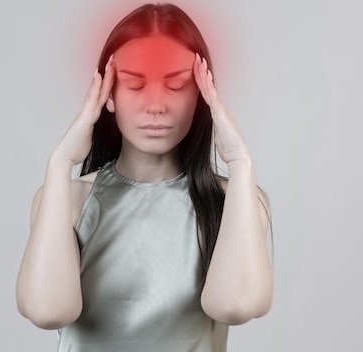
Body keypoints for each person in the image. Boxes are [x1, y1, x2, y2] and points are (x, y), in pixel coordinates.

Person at [15, 3, 273, 351]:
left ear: (201, 93)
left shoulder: (235, 202)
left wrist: (240, 162)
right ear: (107, 95)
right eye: (135, 85)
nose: (156, 105)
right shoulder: (69, 199)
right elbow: (47, 311)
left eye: (177, 84)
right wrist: (60, 162)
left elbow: (236, 305)